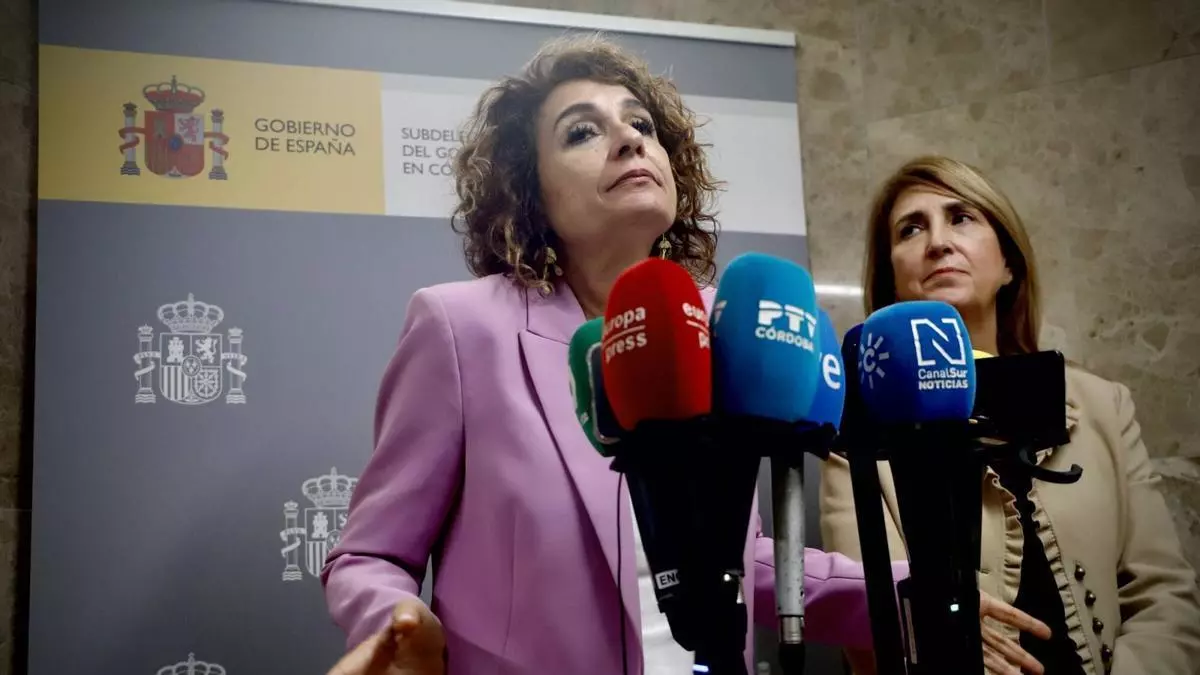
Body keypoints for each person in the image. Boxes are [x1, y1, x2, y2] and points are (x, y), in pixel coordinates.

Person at [321, 37, 1048, 675]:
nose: (629, 141)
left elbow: (738, 559)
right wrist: (398, 625)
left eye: (641, 125)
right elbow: (370, 555)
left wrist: (905, 593)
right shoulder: (460, 327)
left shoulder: (719, 325)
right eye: (583, 132)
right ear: (529, 188)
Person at [820, 155, 1200, 674]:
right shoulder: (857, 434)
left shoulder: (1103, 406)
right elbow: (879, 631)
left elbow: (1165, 598)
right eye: (911, 229)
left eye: (961, 217)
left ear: (1008, 264)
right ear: (891, 281)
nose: (937, 242)